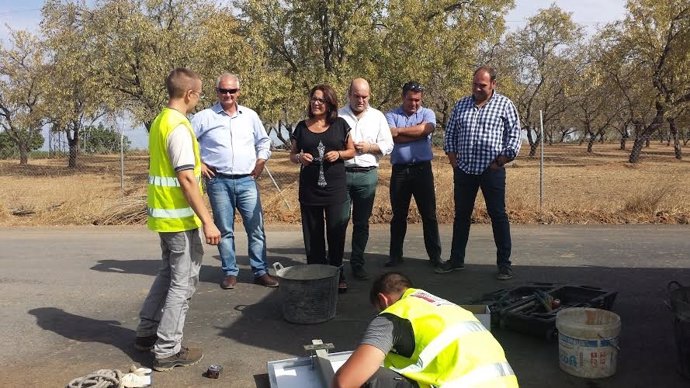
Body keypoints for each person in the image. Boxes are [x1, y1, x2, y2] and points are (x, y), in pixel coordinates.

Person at [135, 68, 221, 372]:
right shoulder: (180, 126)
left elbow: (180, 167)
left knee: (167, 274)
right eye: (198, 93)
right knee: (182, 284)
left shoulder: (161, 120)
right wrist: (208, 221)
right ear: (189, 94)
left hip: (164, 217)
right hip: (179, 220)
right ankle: (167, 349)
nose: (199, 98)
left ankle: (147, 332)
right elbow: (186, 179)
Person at [333, 272, 519, 388]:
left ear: (383, 300)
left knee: (370, 377)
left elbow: (344, 382)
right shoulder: (447, 307)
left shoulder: (395, 315)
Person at [191, 73, 278, 290]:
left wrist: (261, 161)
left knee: (256, 228)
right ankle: (230, 272)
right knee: (225, 229)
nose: (227, 95)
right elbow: (187, 142)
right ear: (217, 92)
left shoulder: (249, 116)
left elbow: (264, 140)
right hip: (218, 181)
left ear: (238, 92)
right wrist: (199, 163)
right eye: (223, 91)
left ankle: (260, 271)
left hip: (247, 181)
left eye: (232, 91)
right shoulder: (204, 117)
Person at [436, 65, 522, 280]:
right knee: (461, 216)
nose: (477, 88)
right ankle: (456, 260)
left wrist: (501, 160)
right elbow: (451, 134)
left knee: (498, 215)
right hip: (464, 170)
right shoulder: (462, 104)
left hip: (491, 171)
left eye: (482, 85)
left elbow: (514, 137)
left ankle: (504, 264)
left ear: (493, 84)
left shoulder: (505, 105)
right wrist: (453, 160)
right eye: (475, 84)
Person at [290, 84, 356, 292]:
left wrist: (339, 154)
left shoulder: (341, 125)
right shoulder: (301, 127)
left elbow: (352, 151)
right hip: (310, 189)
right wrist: (300, 157)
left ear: (329, 103)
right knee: (313, 234)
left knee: (336, 233)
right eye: (314, 99)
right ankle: (316, 274)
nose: (316, 103)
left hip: (335, 188)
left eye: (321, 100)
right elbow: (292, 155)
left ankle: (337, 272)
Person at [338, 78, 394, 281]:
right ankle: (336, 265)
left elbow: (388, 145)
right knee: (339, 221)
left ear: (369, 96)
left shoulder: (378, 116)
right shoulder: (337, 115)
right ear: (349, 94)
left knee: (361, 223)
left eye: (364, 96)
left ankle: (357, 263)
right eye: (357, 96)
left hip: (367, 174)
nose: (361, 100)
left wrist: (369, 147)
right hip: (341, 175)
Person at [384, 81, 442, 268]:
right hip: (400, 171)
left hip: (422, 170)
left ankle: (435, 257)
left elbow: (426, 129)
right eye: (410, 99)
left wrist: (400, 131)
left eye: (417, 100)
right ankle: (395, 256)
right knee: (399, 215)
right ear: (403, 97)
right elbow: (391, 137)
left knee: (429, 215)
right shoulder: (391, 115)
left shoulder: (428, 113)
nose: (414, 103)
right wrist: (416, 133)